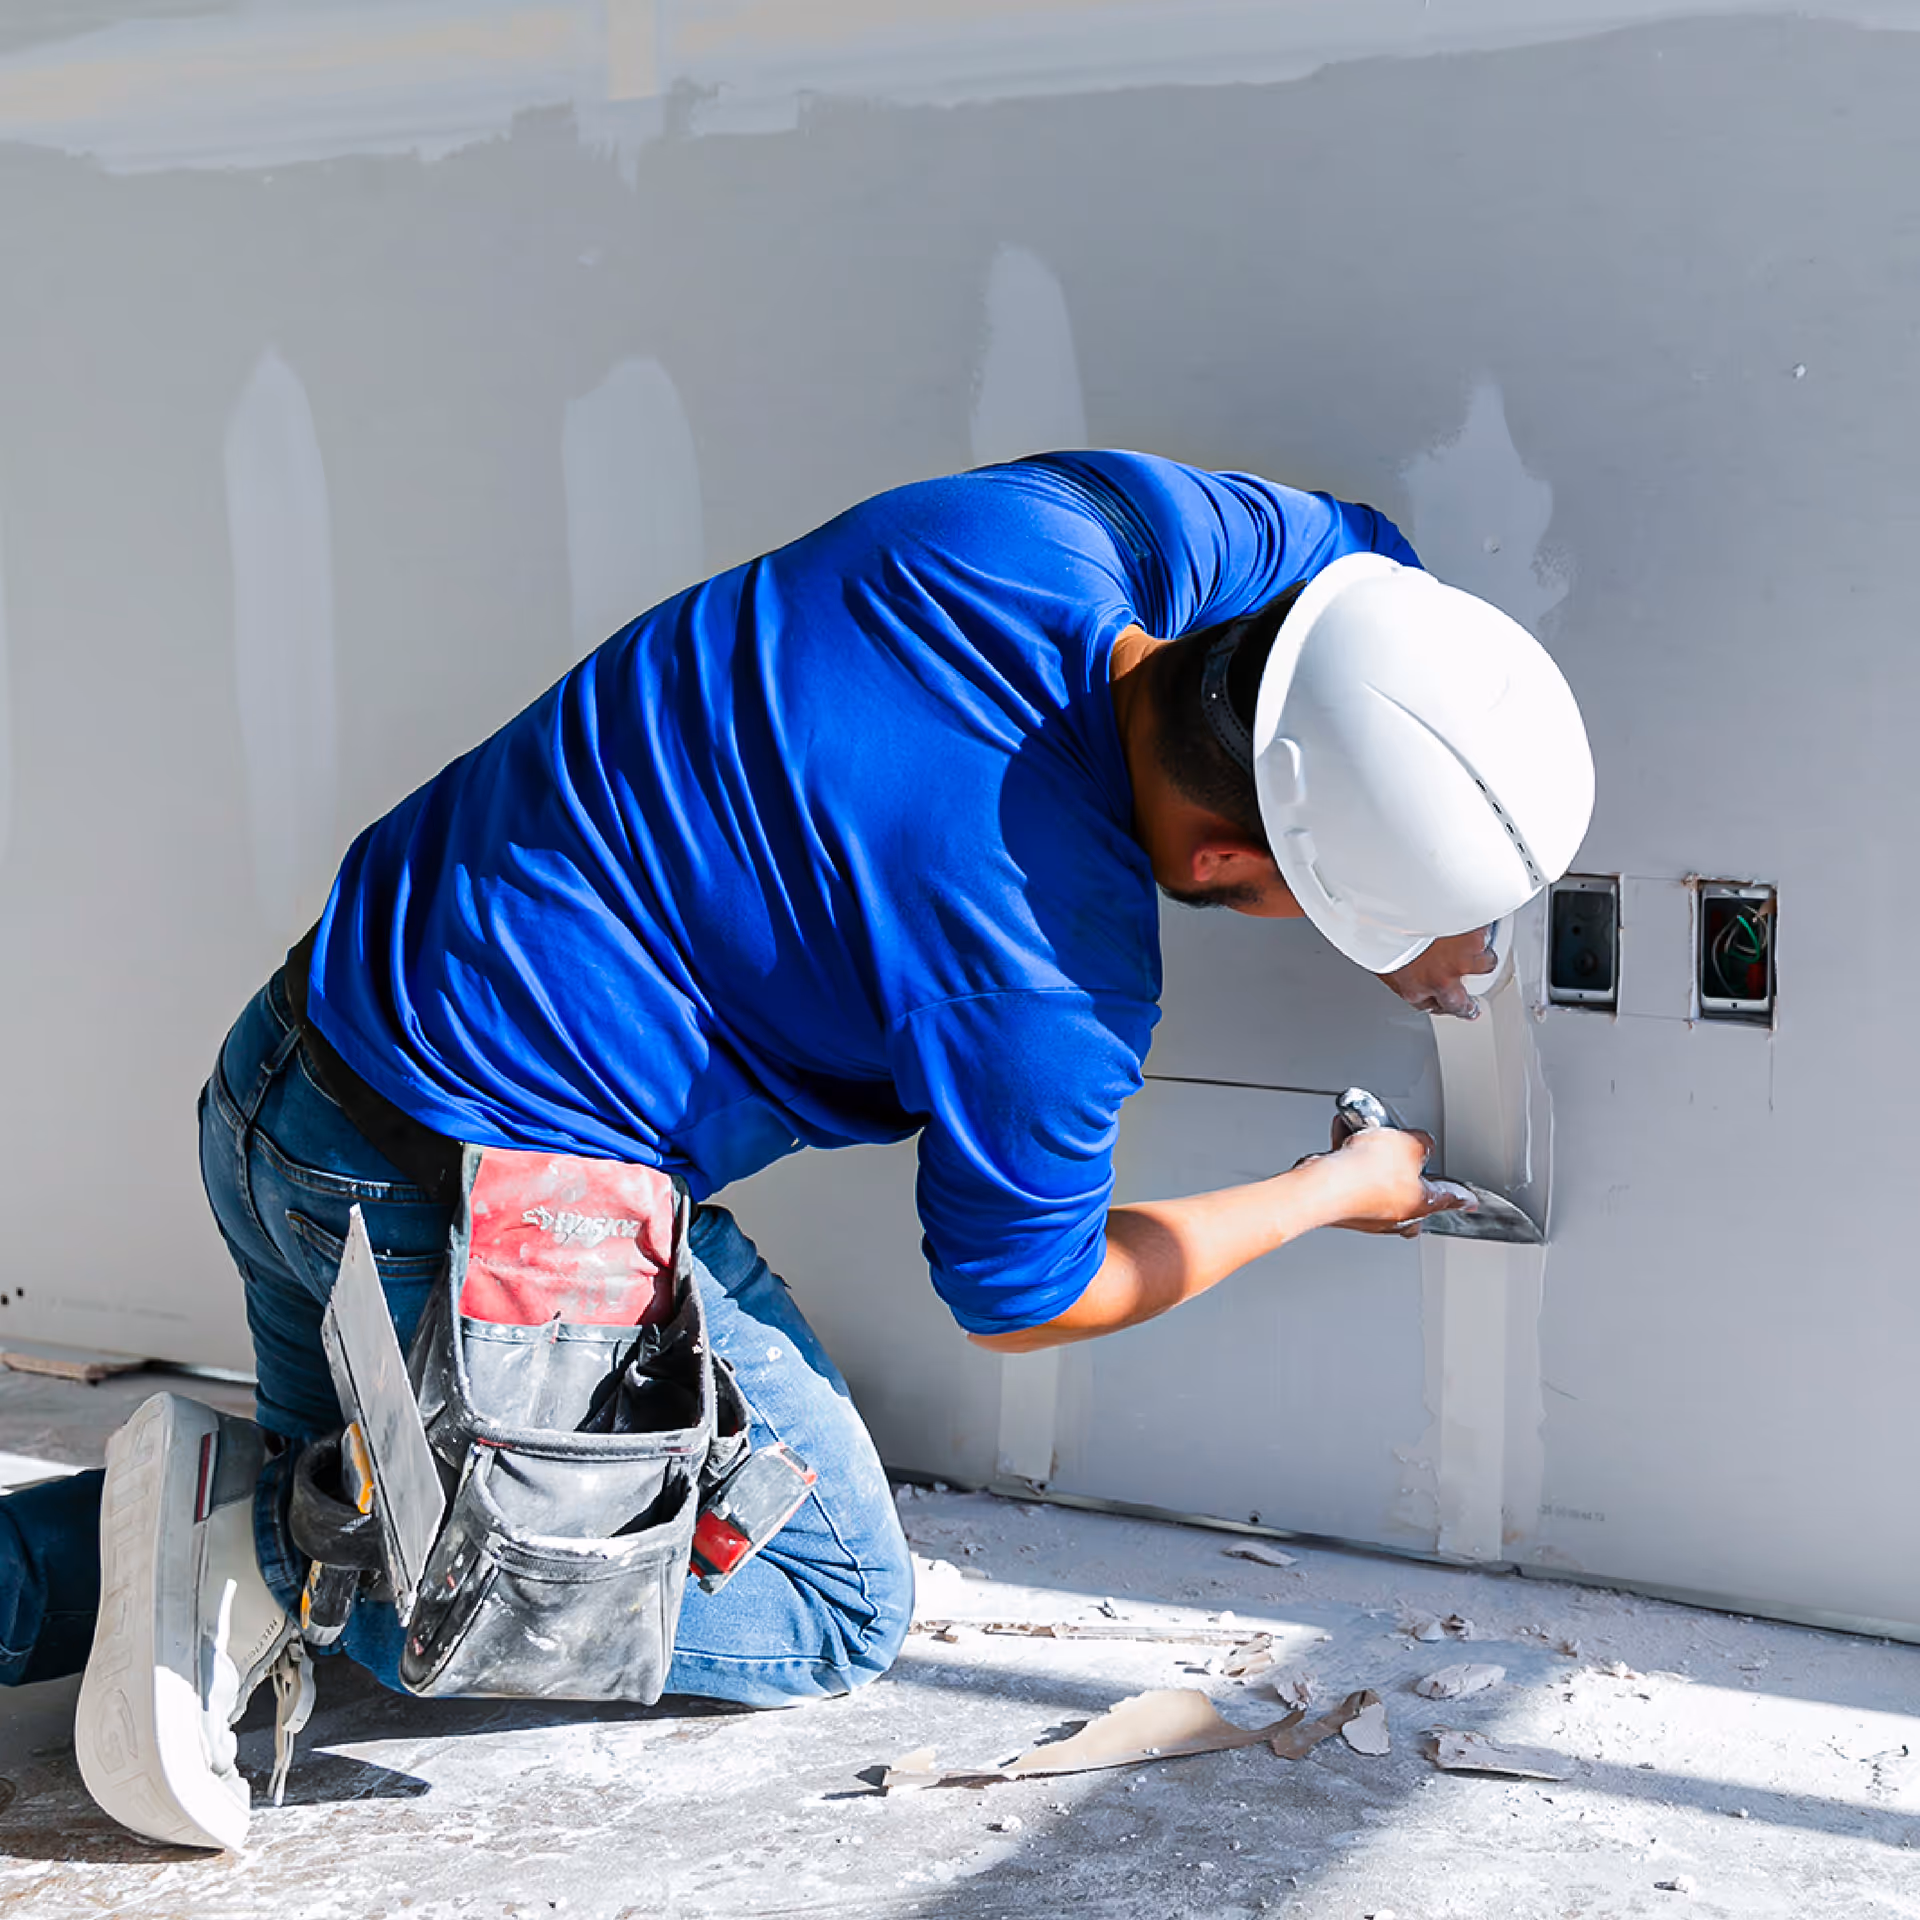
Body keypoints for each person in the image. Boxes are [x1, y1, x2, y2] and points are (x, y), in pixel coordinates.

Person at [0, 450, 1592, 1849]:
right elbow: (1029, 1291)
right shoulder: (1049, 975)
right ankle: (337, 1553)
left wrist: (1394, 843)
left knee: (286, 1490)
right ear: (1237, 853)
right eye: (1290, 900)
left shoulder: (1054, 528)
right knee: (833, 1602)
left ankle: (267, 1528)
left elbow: (1365, 573)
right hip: (479, 1219)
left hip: (286, 1074)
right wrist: (1336, 1191)